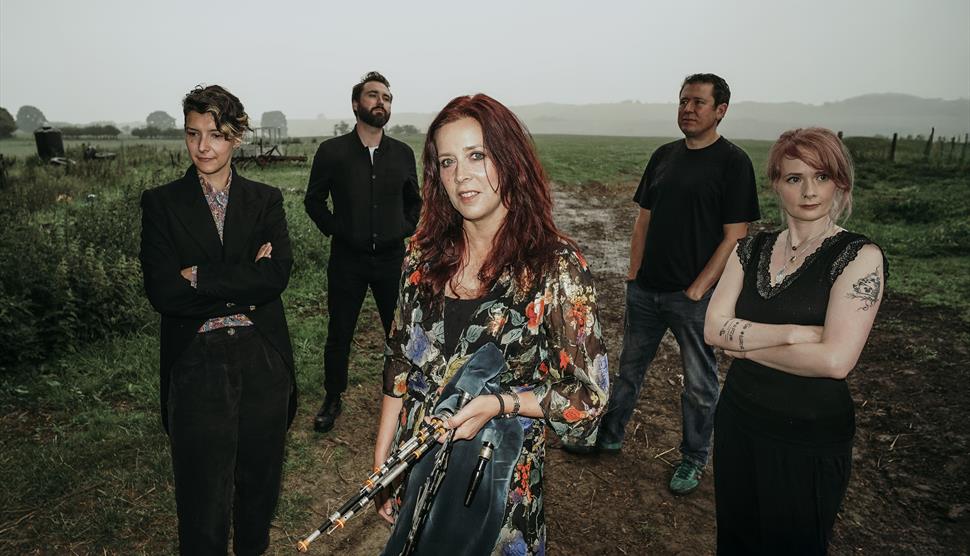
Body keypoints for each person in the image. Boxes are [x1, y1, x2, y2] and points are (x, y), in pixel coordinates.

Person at [372, 94, 609, 555]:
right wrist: (385, 455)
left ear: (510, 159)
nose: (461, 175)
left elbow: (588, 398)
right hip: (416, 460)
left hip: (495, 480)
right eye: (447, 161)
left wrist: (499, 403)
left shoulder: (555, 267)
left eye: (476, 155)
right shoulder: (422, 256)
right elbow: (398, 357)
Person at [573, 73, 760, 497]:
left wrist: (698, 289)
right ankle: (610, 435)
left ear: (721, 110)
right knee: (628, 372)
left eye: (697, 102)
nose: (688, 109)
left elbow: (736, 235)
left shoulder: (733, 163)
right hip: (646, 291)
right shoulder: (664, 156)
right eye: (683, 102)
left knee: (699, 383)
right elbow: (644, 219)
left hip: (692, 299)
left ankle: (694, 457)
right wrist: (633, 273)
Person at [705, 127, 886, 553]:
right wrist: (792, 335)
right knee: (736, 540)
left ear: (839, 182)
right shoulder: (749, 250)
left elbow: (835, 362)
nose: (809, 191)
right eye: (794, 178)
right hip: (739, 420)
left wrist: (744, 344)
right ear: (776, 184)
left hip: (807, 436)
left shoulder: (859, 257)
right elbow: (713, 330)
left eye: (821, 177)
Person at [140, 85, 296, 554]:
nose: (203, 146)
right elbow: (163, 292)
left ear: (237, 137)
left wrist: (200, 276)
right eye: (193, 134)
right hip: (196, 359)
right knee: (202, 494)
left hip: (262, 355)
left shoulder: (265, 200)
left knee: (259, 484)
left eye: (215, 134)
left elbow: (276, 278)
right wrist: (243, 280)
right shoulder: (162, 203)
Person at [304, 71, 422, 433]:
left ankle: (407, 396)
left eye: (386, 97)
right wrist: (340, 230)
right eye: (373, 95)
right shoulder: (332, 152)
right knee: (340, 331)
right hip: (347, 260)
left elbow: (414, 203)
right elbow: (314, 201)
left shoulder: (402, 153)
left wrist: (400, 230)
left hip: (391, 261)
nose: (381, 102)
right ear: (357, 104)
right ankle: (333, 397)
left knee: (400, 330)